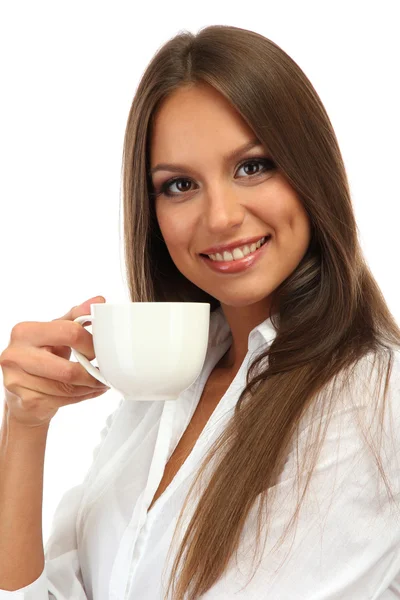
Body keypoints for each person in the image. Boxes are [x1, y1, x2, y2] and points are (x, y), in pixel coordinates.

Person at [1, 24, 400, 600]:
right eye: (180, 184)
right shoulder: (153, 397)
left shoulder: (375, 401)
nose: (220, 217)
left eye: (252, 166)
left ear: (312, 172)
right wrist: (25, 424)